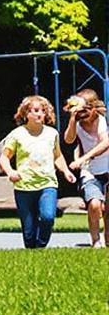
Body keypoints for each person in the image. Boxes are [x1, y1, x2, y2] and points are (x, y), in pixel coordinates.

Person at [0, 95, 63, 251]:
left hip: (48, 183)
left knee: (47, 217)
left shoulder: (52, 134)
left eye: (43, 111)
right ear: (26, 113)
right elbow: (4, 157)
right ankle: (31, 252)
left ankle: (40, 248)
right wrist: (10, 172)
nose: (39, 114)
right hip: (24, 187)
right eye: (35, 110)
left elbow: (57, 155)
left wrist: (65, 171)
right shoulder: (17, 134)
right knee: (28, 230)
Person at [62, 90, 109, 250]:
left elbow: (105, 143)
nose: (83, 115)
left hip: (106, 168)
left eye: (85, 111)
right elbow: (68, 139)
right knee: (95, 204)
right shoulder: (78, 124)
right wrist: (73, 119)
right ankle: (95, 240)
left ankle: (106, 239)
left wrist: (82, 158)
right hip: (90, 172)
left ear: (94, 108)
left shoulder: (102, 121)